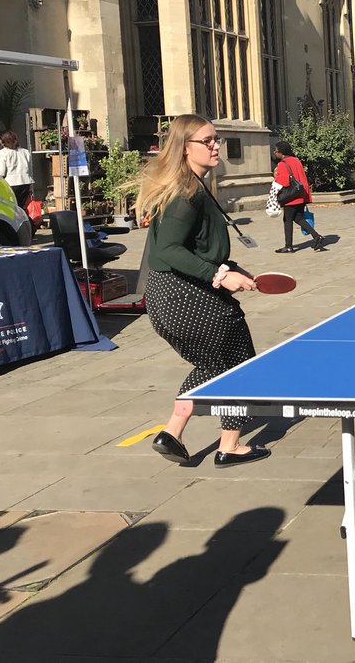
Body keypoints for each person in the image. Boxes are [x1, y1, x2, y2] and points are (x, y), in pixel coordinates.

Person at [136, 114, 269, 469]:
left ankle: (186, 435)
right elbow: (167, 252)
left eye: (216, 140)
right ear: (184, 148)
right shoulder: (186, 193)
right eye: (207, 141)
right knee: (232, 365)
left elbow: (191, 246)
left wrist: (229, 268)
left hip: (172, 295)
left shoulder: (192, 185)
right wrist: (218, 276)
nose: (215, 146)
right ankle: (215, 441)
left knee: (221, 364)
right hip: (184, 295)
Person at [272, 141, 324, 253]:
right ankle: (316, 236)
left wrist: (276, 176)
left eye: (276, 151)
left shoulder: (282, 164)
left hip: (290, 197)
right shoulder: (296, 161)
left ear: (281, 152)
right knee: (298, 218)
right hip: (300, 194)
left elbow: (284, 182)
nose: (275, 153)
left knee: (287, 220)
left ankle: (288, 246)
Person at [0, 129, 33, 209]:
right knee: (21, 207)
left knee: (11, 208)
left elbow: (1, 172)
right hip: (25, 182)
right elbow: (29, 168)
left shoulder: (2, 153)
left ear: (3, 141)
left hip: (10, 183)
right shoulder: (25, 152)